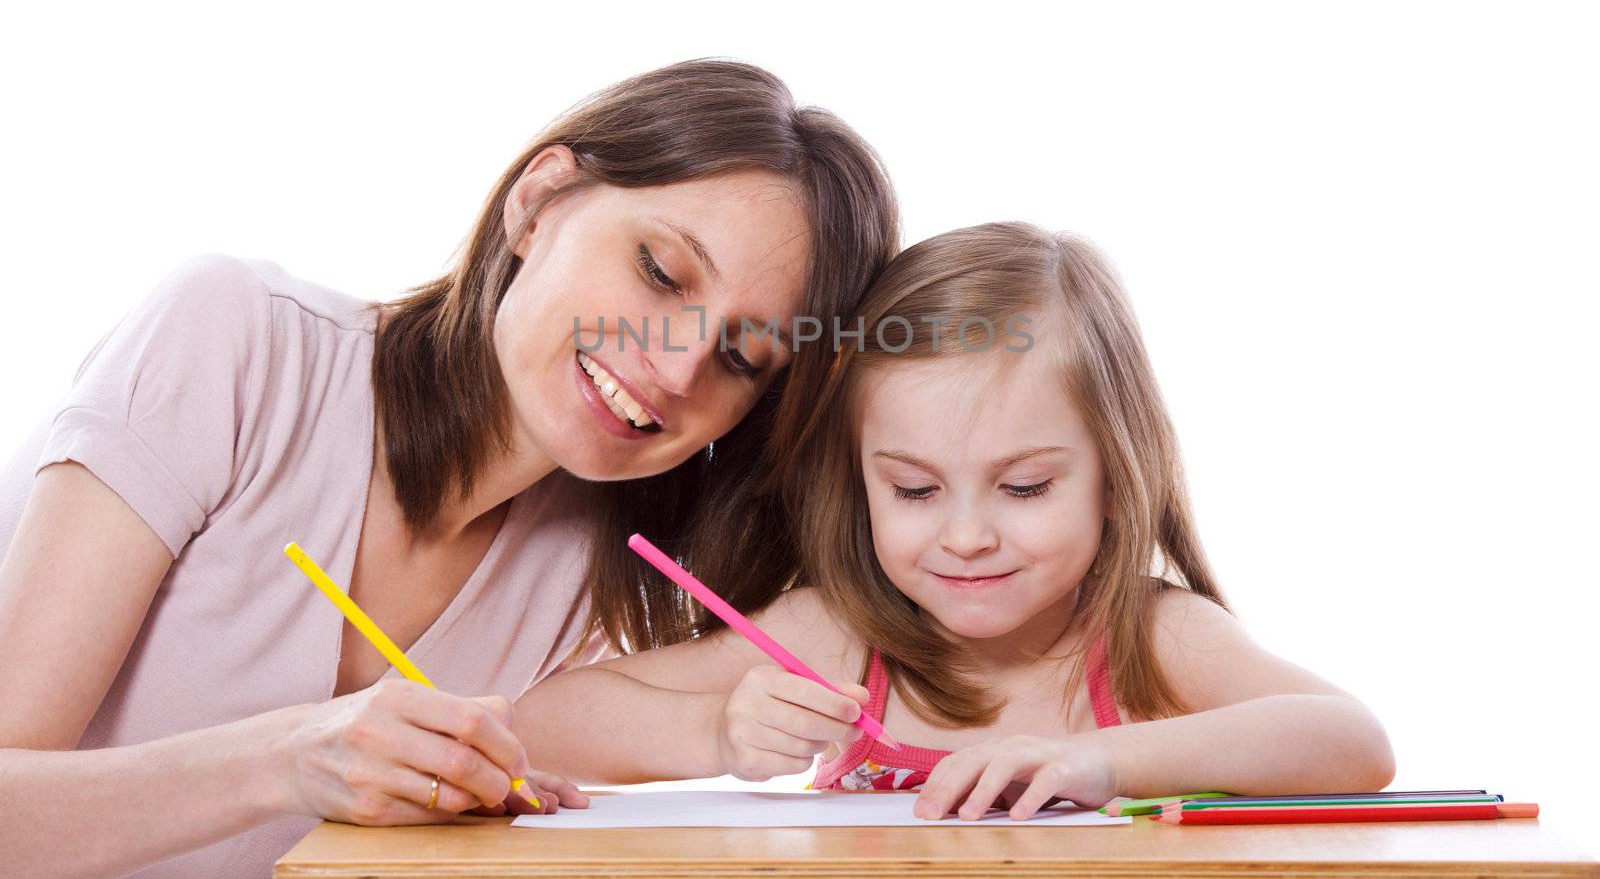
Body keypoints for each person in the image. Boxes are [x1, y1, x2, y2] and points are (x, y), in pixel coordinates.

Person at [0, 59, 900, 877]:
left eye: (744, 357)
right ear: (540, 201)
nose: (674, 366)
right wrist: (287, 762)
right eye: (660, 272)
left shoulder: (590, 580)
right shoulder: (233, 342)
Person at [522, 221, 1395, 820]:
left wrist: (1102, 766)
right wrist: (714, 731)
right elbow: (541, 722)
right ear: (860, 482)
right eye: (914, 491)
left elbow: (1352, 742)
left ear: (1114, 482)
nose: (967, 536)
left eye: (1023, 489)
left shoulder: (1143, 638)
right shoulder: (843, 641)